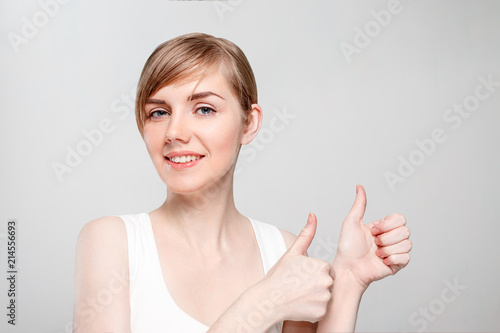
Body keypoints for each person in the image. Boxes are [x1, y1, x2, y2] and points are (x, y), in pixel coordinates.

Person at [72, 32, 412, 333]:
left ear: (249, 124)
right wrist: (261, 304)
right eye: (159, 112)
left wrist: (350, 279)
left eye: (204, 109)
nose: (174, 133)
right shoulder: (112, 243)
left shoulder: (283, 251)